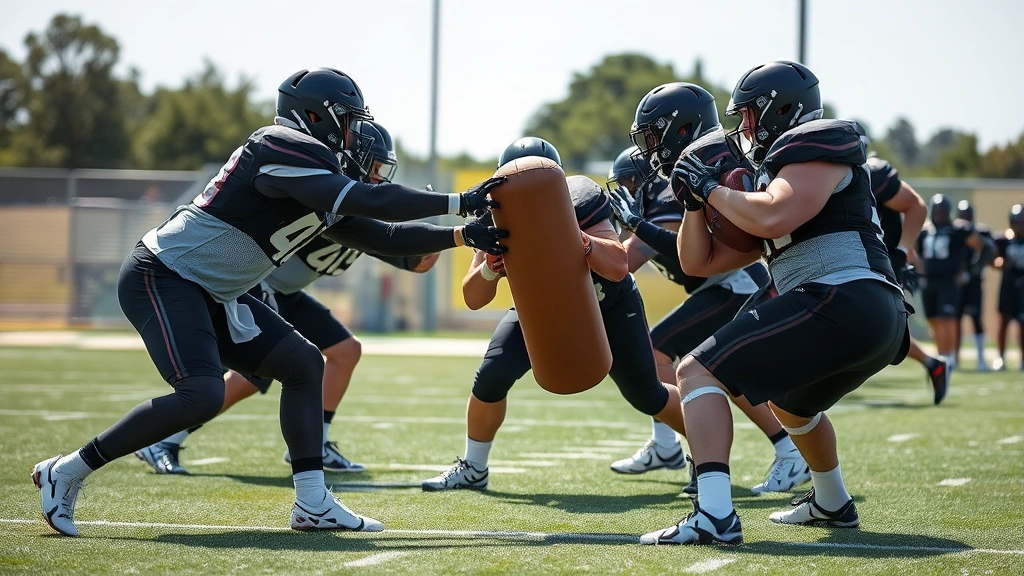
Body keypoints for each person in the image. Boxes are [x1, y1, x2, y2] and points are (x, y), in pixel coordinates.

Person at [30, 67, 508, 537]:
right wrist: (459, 201)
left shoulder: (315, 173)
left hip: (215, 288)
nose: (353, 132)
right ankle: (68, 469)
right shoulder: (280, 145)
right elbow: (374, 204)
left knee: (303, 363)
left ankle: (312, 502)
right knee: (201, 394)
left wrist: (464, 235)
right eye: (347, 120)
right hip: (166, 273)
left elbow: (383, 234)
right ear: (317, 118)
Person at [640, 61, 910, 546]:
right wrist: (693, 202)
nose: (743, 130)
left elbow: (776, 213)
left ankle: (715, 515)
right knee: (791, 405)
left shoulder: (817, 142)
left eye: (747, 116)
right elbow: (700, 262)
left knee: (694, 371)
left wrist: (712, 188)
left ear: (780, 109)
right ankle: (832, 500)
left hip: (843, 295)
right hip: (862, 312)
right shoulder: (771, 174)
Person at [134, 120, 436, 475]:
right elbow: (368, 215)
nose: (378, 178)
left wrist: (434, 226)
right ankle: (165, 440)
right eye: (373, 168)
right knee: (253, 376)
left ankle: (316, 443)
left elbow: (417, 260)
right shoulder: (326, 199)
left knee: (345, 350)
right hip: (257, 285)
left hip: (289, 293)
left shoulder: (362, 209)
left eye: (384, 171)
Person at [421, 138, 689, 492]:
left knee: (647, 395)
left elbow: (619, 266)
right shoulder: (493, 215)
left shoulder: (581, 200)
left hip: (608, 301)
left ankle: (705, 457)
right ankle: (473, 467)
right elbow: (473, 297)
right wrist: (489, 268)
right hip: (537, 304)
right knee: (491, 377)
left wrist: (580, 240)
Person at [608, 113, 809, 495]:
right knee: (716, 370)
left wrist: (629, 226)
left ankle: (778, 450)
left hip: (734, 285)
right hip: (721, 286)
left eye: (632, 182)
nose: (628, 189)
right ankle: (676, 446)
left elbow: (627, 261)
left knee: (662, 353)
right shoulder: (664, 196)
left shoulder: (670, 196)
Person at [862, 150, 950, 402]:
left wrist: (901, 253)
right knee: (877, 331)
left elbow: (915, 206)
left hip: (882, 262)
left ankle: (934, 364)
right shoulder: (824, 178)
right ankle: (934, 364)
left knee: (880, 330)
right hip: (857, 260)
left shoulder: (872, 174)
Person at [916, 194, 990, 371]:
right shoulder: (925, 231)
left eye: (943, 211)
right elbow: (916, 252)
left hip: (949, 282)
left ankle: (949, 359)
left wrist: (970, 271)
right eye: (937, 210)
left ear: (949, 212)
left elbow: (986, 248)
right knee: (933, 320)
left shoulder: (958, 230)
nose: (940, 214)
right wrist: (917, 271)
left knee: (947, 319)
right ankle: (942, 355)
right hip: (929, 282)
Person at [954, 200, 995, 370]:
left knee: (976, 318)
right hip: (956, 282)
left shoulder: (980, 231)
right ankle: (954, 358)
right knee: (954, 319)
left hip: (974, 282)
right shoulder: (955, 231)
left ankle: (981, 358)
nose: (966, 218)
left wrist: (973, 271)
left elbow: (990, 250)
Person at [993, 204, 1024, 370]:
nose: (1019, 225)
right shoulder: (1004, 240)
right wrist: (1002, 263)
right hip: (1008, 284)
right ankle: (1001, 357)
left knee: (1022, 322)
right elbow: (993, 259)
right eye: (1017, 221)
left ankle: (1023, 359)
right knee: (1003, 321)